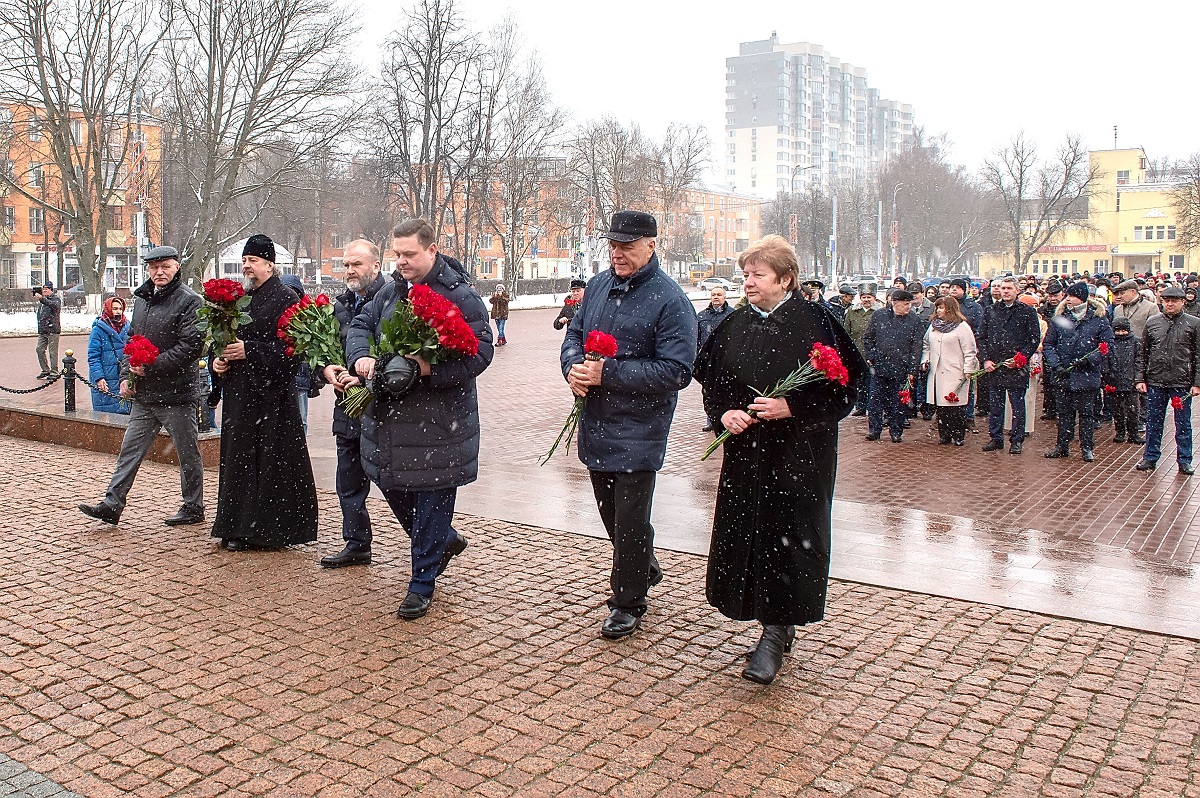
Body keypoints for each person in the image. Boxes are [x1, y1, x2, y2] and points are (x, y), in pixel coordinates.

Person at [693, 234, 865, 686]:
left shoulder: (818, 322)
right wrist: (722, 413)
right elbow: (713, 380)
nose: (747, 282)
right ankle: (761, 613)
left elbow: (845, 389)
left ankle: (775, 631)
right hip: (747, 455)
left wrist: (795, 408)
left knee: (788, 537)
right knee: (749, 534)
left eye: (757, 274)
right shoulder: (734, 324)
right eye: (745, 274)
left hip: (798, 456)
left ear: (785, 279)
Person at [561, 210, 696, 640]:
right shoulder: (598, 286)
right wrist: (572, 369)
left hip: (641, 427)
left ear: (651, 246)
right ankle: (643, 564)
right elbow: (574, 337)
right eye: (613, 245)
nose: (617, 253)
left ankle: (628, 600)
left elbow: (676, 370)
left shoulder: (671, 300)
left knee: (631, 517)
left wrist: (609, 374)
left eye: (627, 245)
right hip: (597, 422)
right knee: (612, 513)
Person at [347, 219, 493, 618]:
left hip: (439, 425)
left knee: (430, 499)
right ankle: (441, 541)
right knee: (393, 486)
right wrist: (361, 357)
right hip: (388, 421)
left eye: (409, 254)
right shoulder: (391, 290)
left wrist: (426, 370)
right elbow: (360, 325)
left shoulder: (462, 296)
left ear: (432, 250)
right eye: (397, 253)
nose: (402, 261)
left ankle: (422, 582)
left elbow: (480, 353)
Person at [78, 246, 206, 527]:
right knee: (129, 451)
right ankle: (112, 504)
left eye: (165, 266)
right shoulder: (143, 300)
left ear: (176, 268)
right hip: (145, 395)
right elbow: (131, 341)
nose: (159, 272)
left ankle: (193, 506)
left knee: (187, 453)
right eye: (153, 267)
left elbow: (190, 347)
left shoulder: (189, 301)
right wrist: (126, 376)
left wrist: (152, 366)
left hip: (176, 394)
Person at [210, 234, 318, 551]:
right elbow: (226, 341)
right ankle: (235, 524)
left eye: (253, 261)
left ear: (269, 265)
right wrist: (219, 362)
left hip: (270, 399)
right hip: (239, 395)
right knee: (238, 460)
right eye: (245, 261)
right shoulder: (241, 300)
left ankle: (262, 530)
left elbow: (292, 351)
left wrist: (251, 351)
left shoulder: (285, 299)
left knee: (264, 462)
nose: (247, 266)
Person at [318, 239, 387, 568]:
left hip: (385, 412)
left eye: (356, 264)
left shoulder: (394, 300)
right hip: (347, 409)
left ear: (375, 266)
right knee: (349, 480)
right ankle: (357, 542)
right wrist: (325, 368)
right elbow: (325, 351)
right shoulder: (340, 306)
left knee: (396, 485)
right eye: (345, 265)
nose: (349, 270)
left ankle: (433, 541)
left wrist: (368, 378)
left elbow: (398, 354)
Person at [1042, 282, 1114, 462]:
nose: (1068, 300)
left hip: (1086, 375)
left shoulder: (1099, 320)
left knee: (1086, 414)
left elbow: (1106, 346)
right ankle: (1062, 445)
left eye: (1071, 296)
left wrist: (1088, 360)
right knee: (1064, 413)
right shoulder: (1059, 319)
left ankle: (1087, 447)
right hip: (1063, 374)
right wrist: (1056, 365)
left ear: (1082, 297)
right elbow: (1049, 344)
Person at [1134, 285, 1200, 474]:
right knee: (1154, 421)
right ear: (1161, 302)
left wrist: (1197, 383)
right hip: (1156, 380)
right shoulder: (1153, 322)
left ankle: (1184, 459)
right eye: (1166, 300)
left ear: (1182, 303)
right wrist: (1140, 378)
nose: (1170, 304)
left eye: (1174, 301)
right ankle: (1150, 457)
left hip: (1181, 382)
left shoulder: (1194, 324)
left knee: (1183, 423)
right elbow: (1143, 353)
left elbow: (1198, 355)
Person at [978, 276, 1040, 455]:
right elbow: (982, 337)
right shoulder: (990, 310)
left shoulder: (1026, 312)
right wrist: (986, 359)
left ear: (1017, 291)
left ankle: (1017, 439)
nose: (1005, 291)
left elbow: (1034, 339)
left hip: (1015, 366)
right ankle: (996, 437)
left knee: (1017, 406)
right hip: (996, 366)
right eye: (1002, 288)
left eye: (1009, 288)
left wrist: (1022, 357)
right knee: (995, 405)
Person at [862, 288, 922, 443]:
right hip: (880, 366)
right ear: (894, 302)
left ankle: (896, 431)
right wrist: (872, 356)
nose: (908, 306)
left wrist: (912, 369)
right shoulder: (879, 316)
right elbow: (868, 338)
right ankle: (874, 430)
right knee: (875, 401)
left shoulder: (914, 320)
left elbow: (917, 346)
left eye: (910, 303)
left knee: (898, 403)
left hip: (901, 368)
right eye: (905, 303)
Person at [921, 297, 978, 446]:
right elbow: (926, 344)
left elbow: (969, 350)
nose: (939, 311)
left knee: (954, 406)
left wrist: (968, 370)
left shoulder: (962, 327)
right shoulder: (933, 326)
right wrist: (925, 360)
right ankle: (944, 434)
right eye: (937, 308)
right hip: (936, 371)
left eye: (942, 308)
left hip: (955, 371)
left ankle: (958, 435)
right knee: (941, 406)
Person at [279, 274, 315, 435]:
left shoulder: (307, 316)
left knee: (300, 419)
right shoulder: (274, 315)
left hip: (300, 377)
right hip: (280, 377)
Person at [696, 285, 733, 432]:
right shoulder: (702, 316)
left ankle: (725, 417)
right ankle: (712, 419)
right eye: (713, 295)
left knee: (726, 389)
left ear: (724, 297)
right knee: (708, 390)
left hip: (726, 360)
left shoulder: (732, 315)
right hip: (707, 360)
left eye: (719, 294)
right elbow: (697, 338)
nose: (716, 297)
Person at [87, 296, 131, 414]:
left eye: (120, 308)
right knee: (108, 413)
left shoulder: (128, 327)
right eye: (115, 308)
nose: (118, 311)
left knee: (126, 412)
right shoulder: (98, 330)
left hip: (123, 375)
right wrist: (99, 377)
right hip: (106, 377)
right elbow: (93, 357)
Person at [1103, 317, 1144, 445]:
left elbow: (1139, 361)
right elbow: (1105, 362)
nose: (1121, 333)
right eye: (1117, 331)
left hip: (1131, 381)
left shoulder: (1136, 342)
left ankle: (1133, 433)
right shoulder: (1110, 342)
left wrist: (1138, 378)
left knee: (1133, 409)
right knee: (1117, 409)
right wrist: (1108, 378)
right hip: (1114, 381)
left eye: (1123, 330)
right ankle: (1120, 432)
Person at [845, 286, 876, 416]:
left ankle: (871, 406)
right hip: (856, 352)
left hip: (872, 353)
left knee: (871, 382)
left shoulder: (878, 313)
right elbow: (846, 331)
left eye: (869, 297)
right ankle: (860, 406)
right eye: (864, 297)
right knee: (858, 382)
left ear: (874, 298)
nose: (866, 300)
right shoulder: (852, 312)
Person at [34, 281, 61, 379]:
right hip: (43, 330)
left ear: (51, 290)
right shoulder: (43, 301)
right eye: (43, 289)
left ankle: (54, 371)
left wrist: (42, 299)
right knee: (39, 349)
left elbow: (54, 306)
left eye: (47, 289)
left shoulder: (55, 299)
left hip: (53, 330)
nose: (44, 290)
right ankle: (45, 370)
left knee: (53, 352)